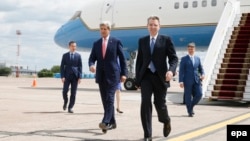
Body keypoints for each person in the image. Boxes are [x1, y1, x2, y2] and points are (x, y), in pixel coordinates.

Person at [135, 16, 178, 141]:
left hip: (160, 77)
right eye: (150, 24)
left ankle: (166, 120)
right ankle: (147, 135)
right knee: (145, 102)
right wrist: (138, 80)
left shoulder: (166, 40)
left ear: (159, 26)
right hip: (146, 76)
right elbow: (140, 61)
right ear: (147, 26)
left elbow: (174, 58)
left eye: (155, 25)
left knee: (160, 104)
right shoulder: (142, 41)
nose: (153, 27)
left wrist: (171, 70)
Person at [88, 21, 128, 133]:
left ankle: (105, 122)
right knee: (104, 100)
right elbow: (92, 58)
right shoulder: (96, 43)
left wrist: (124, 73)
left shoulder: (116, 42)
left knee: (110, 98)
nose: (102, 31)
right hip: (101, 75)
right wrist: (91, 65)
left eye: (105, 29)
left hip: (113, 75)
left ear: (109, 30)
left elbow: (122, 59)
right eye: (101, 29)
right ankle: (113, 122)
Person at [178, 42, 205, 117]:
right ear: (187, 49)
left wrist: (203, 74)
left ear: (194, 49)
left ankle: (191, 107)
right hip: (187, 80)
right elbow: (181, 71)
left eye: (192, 49)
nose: (191, 50)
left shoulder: (197, 58)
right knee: (188, 96)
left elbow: (201, 69)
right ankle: (190, 112)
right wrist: (181, 81)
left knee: (199, 94)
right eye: (189, 49)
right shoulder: (184, 59)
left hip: (197, 80)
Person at [60, 41, 82, 113]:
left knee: (73, 93)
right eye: (72, 46)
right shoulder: (65, 55)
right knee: (64, 91)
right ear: (69, 46)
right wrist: (62, 76)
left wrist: (80, 77)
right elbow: (62, 67)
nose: (74, 48)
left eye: (75, 46)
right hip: (67, 76)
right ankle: (65, 101)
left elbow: (80, 67)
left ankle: (70, 107)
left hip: (75, 76)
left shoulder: (78, 56)